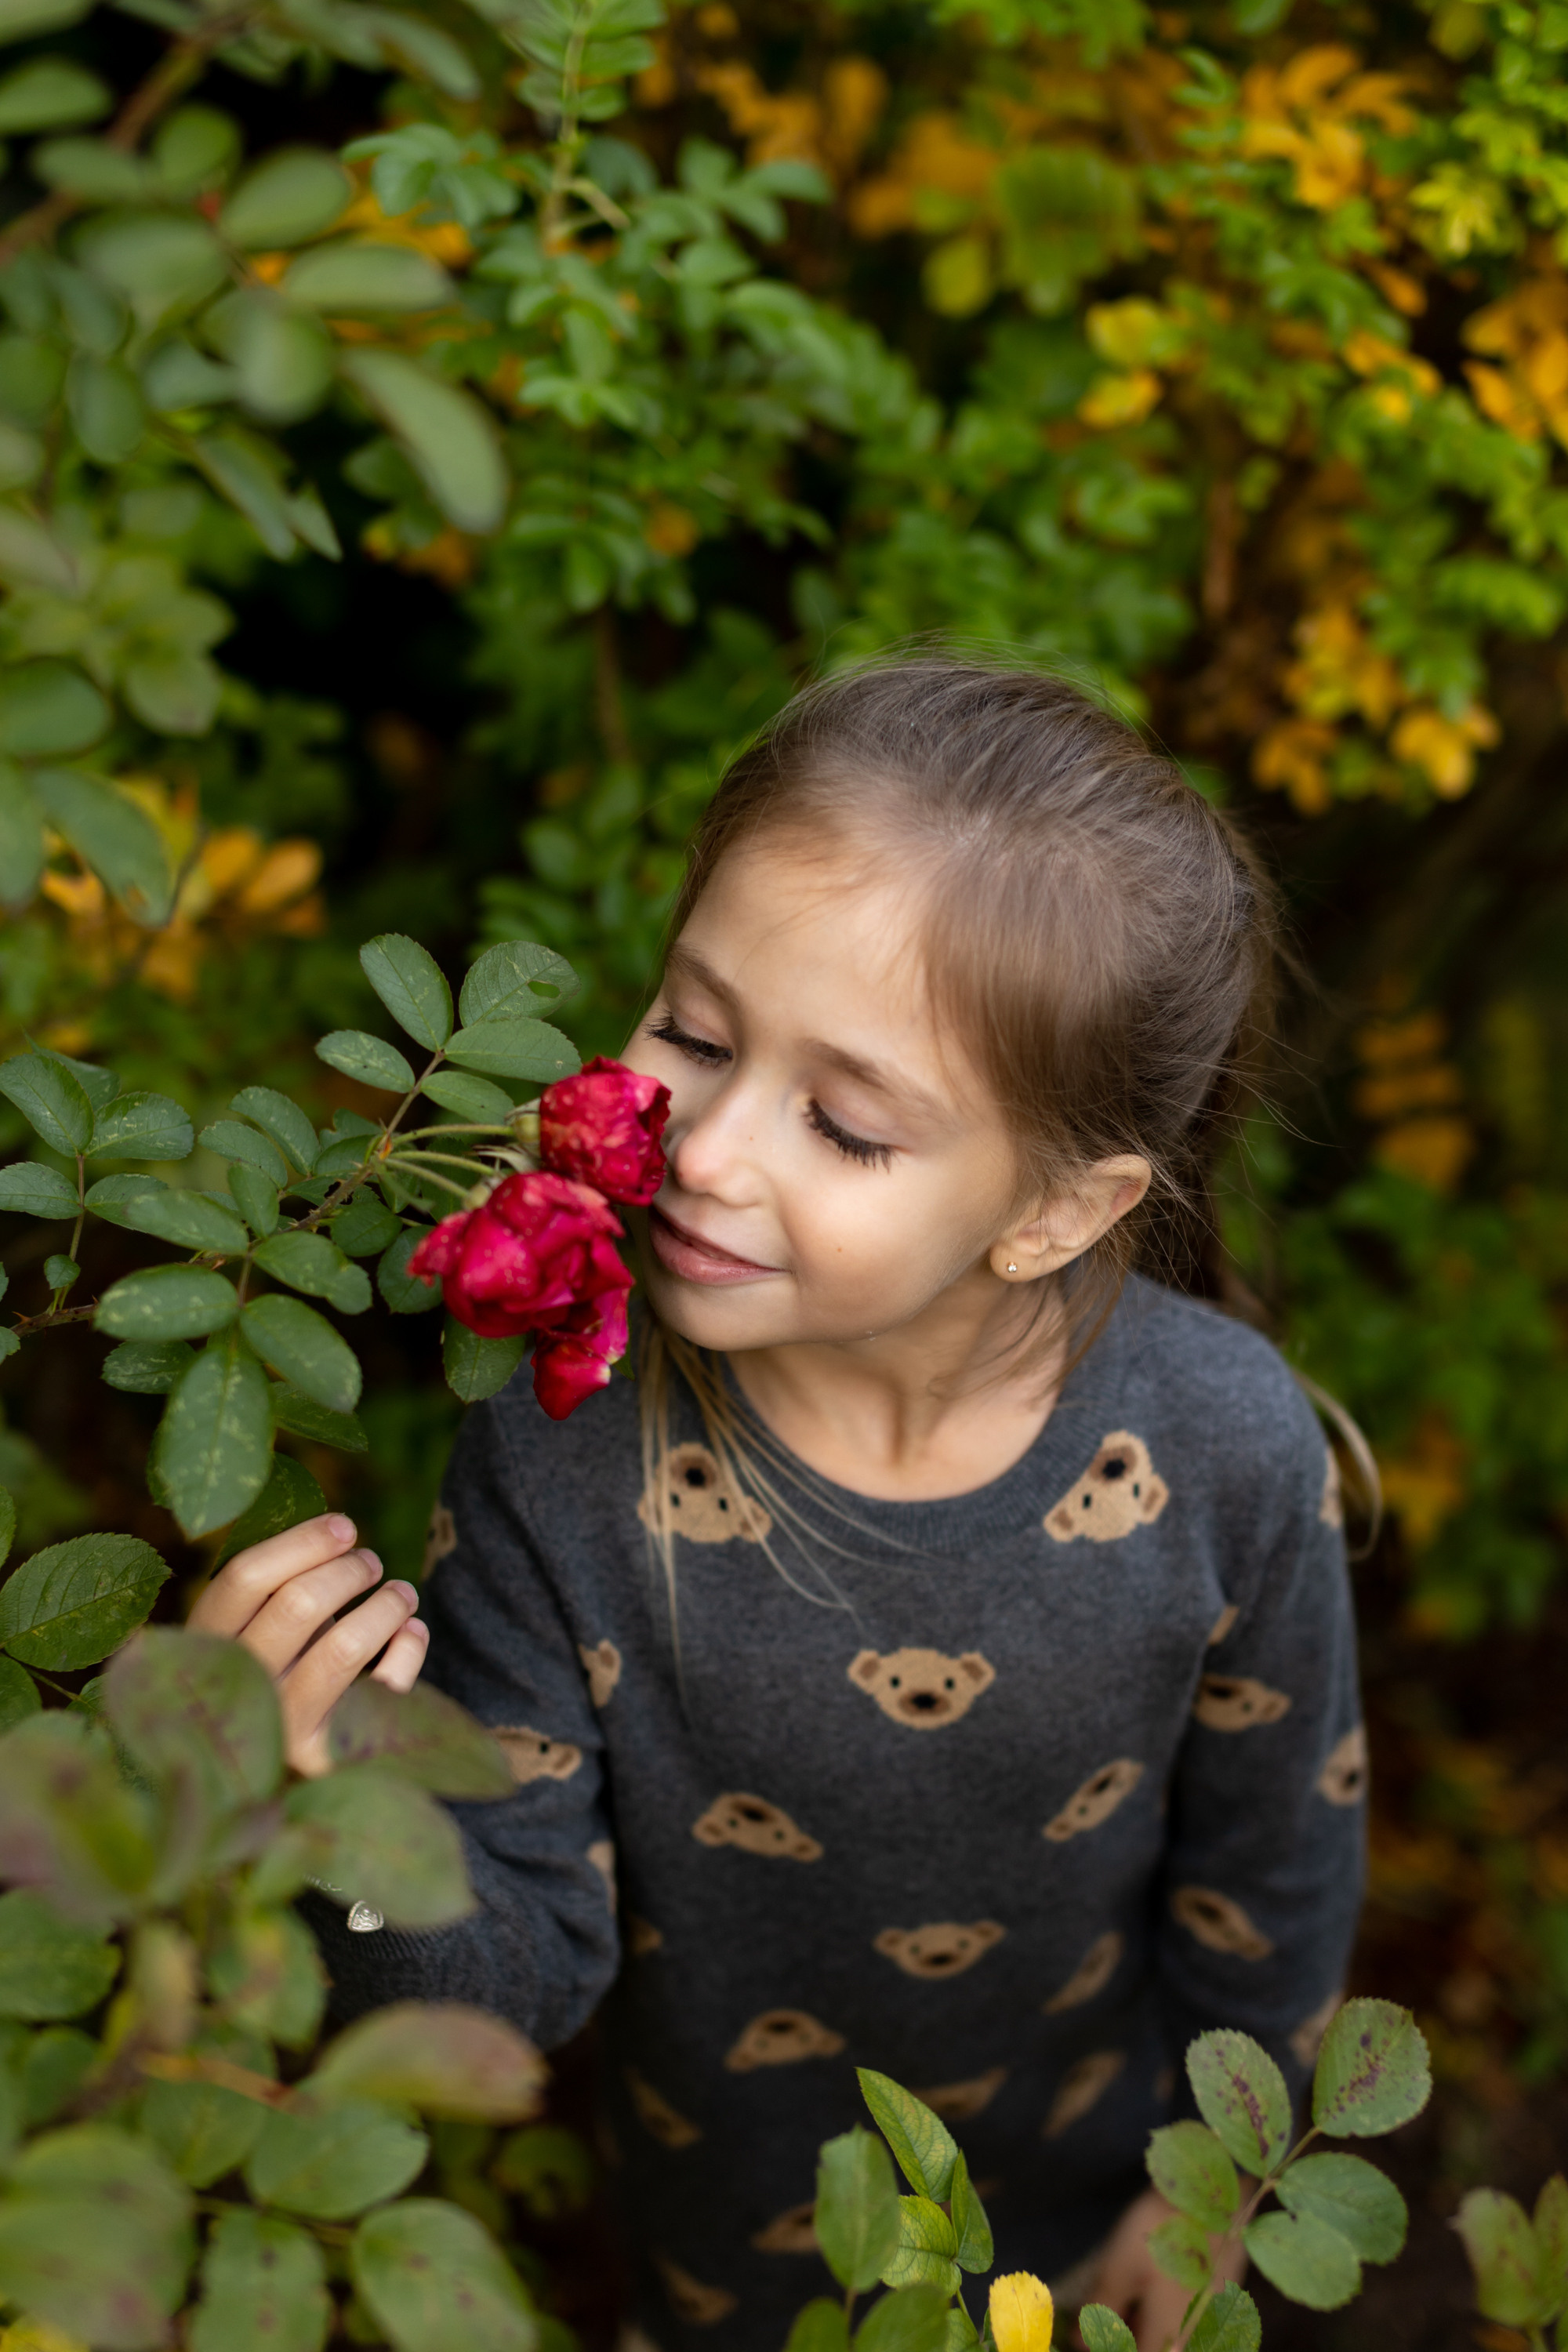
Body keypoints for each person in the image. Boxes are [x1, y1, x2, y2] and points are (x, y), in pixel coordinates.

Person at [192, 659, 1367, 2350]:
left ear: (1054, 1210)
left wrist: (1221, 2205)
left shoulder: (1225, 1450)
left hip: (1110, 2238)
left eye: (847, 1124)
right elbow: (510, 1993)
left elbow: (1276, 1885)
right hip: (727, 2272)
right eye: (693, 1032)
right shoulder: (563, 1456)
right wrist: (333, 1818)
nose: (710, 1148)